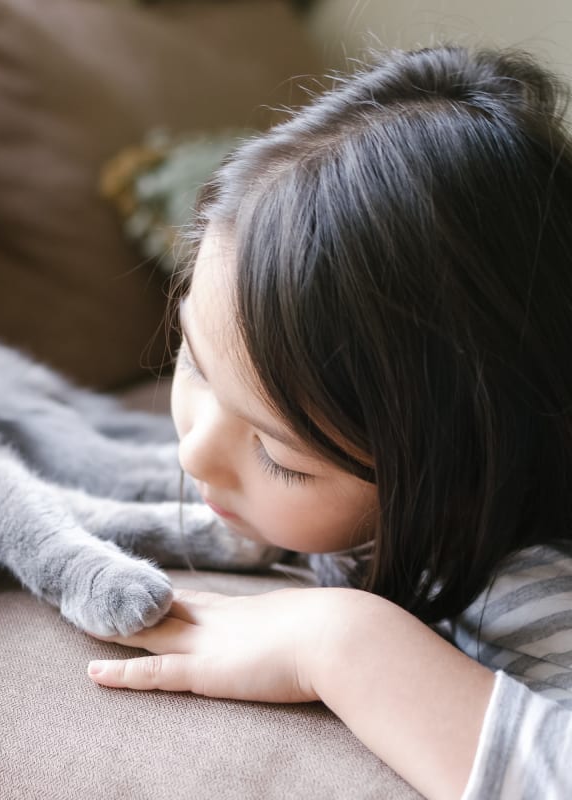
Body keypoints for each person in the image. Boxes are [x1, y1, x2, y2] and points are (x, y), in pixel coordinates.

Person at [86, 46, 572, 800]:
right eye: (194, 363)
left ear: (457, 484)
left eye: (281, 456)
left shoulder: (529, 587)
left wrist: (343, 642)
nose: (192, 452)